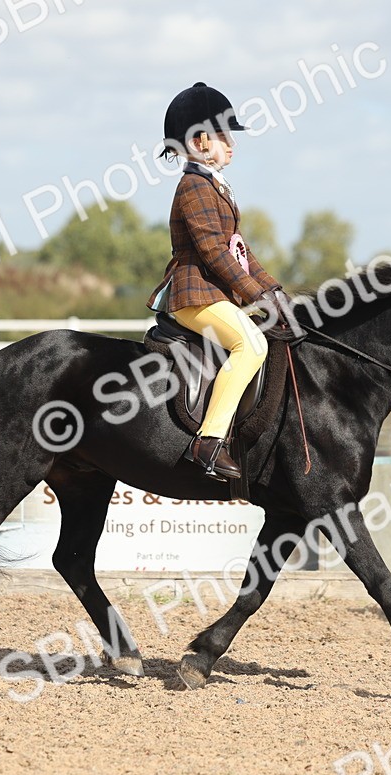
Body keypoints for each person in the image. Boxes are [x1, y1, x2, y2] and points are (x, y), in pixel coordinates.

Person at [148, 82, 300, 482]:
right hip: (193, 293)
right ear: (199, 142)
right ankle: (208, 442)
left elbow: (239, 249)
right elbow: (214, 253)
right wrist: (256, 296)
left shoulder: (214, 184)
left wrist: (274, 291)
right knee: (251, 345)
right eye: (223, 136)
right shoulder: (194, 186)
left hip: (213, 292)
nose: (231, 144)